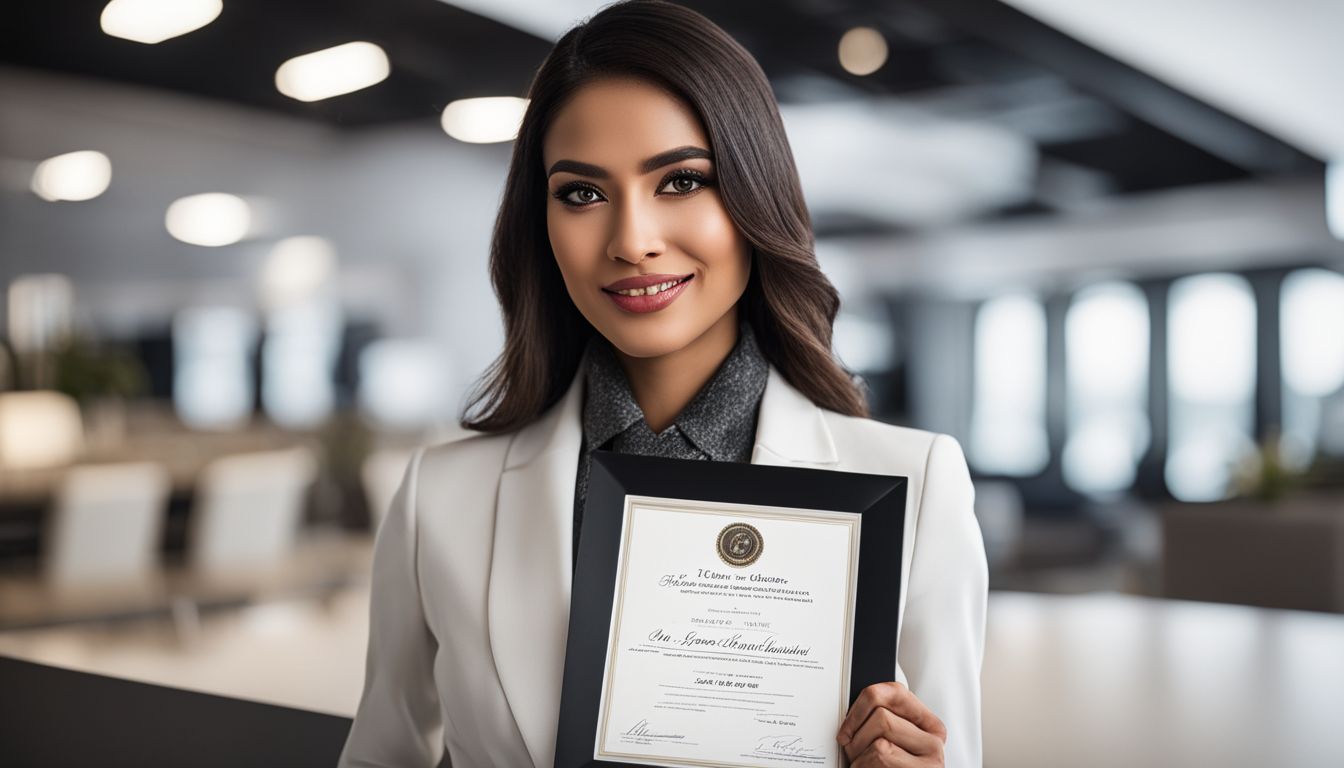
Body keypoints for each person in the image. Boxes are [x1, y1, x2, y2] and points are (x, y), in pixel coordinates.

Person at [339, 2, 987, 766]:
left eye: (681, 181)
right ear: (539, 226)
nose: (632, 241)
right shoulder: (438, 499)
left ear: (755, 196)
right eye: (582, 193)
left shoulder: (915, 487)